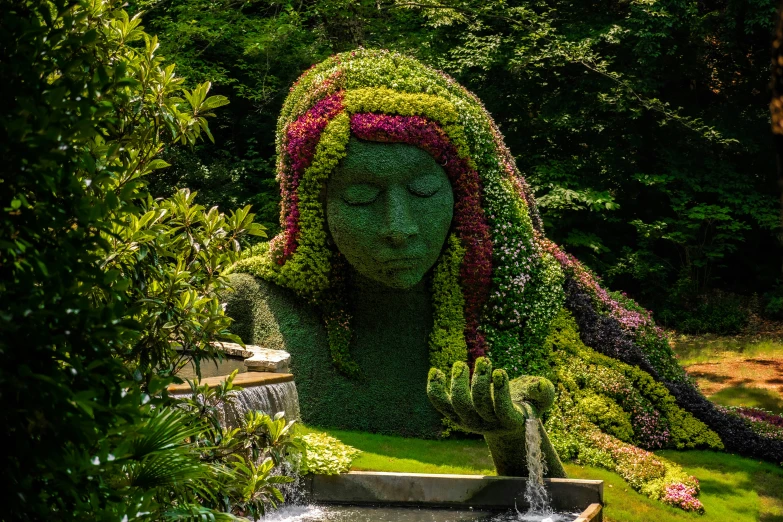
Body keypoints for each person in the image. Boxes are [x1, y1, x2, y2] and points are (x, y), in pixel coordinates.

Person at [224, 50, 782, 479]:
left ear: (466, 198)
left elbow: (548, 500)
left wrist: (511, 439)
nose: (398, 227)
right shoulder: (250, 298)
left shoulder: (506, 308)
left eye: (422, 190)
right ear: (311, 205)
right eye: (363, 198)